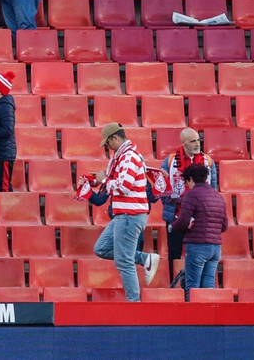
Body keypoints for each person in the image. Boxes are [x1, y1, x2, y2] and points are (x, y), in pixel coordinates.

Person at [92, 123, 160, 300]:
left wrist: (104, 180)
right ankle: (145, 259)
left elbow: (124, 186)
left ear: (115, 138)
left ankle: (134, 302)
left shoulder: (128, 156)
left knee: (124, 262)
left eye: (107, 143)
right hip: (124, 214)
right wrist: (101, 181)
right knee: (101, 248)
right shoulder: (123, 156)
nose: (107, 147)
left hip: (130, 215)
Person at [156, 127, 216, 285]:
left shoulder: (208, 162)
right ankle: (174, 284)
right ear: (183, 143)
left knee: (197, 254)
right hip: (176, 216)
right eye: (192, 141)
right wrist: (172, 207)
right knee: (174, 253)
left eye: (198, 140)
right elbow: (162, 189)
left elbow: (213, 190)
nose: (197, 144)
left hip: (200, 219)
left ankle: (198, 289)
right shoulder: (169, 161)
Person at [172, 162, 227, 292]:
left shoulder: (191, 195)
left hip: (197, 245)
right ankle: (209, 311)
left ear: (191, 179)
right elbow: (224, 226)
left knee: (192, 285)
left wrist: (174, 226)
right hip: (215, 247)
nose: (187, 185)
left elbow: (183, 221)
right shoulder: (218, 196)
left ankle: (193, 313)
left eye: (187, 181)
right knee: (209, 285)